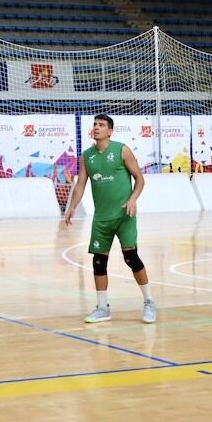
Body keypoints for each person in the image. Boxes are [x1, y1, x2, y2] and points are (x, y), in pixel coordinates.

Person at [64, 114, 155, 324]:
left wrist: (133, 199)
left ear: (110, 131)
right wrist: (72, 207)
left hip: (124, 215)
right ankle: (102, 308)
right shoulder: (87, 156)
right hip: (101, 219)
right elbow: (80, 184)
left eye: (101, 125)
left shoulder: (122, 150)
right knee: (98, 262)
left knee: (131, 258)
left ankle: (149, 302)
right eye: (95, 124)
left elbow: (140, 179)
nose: (96, 127)